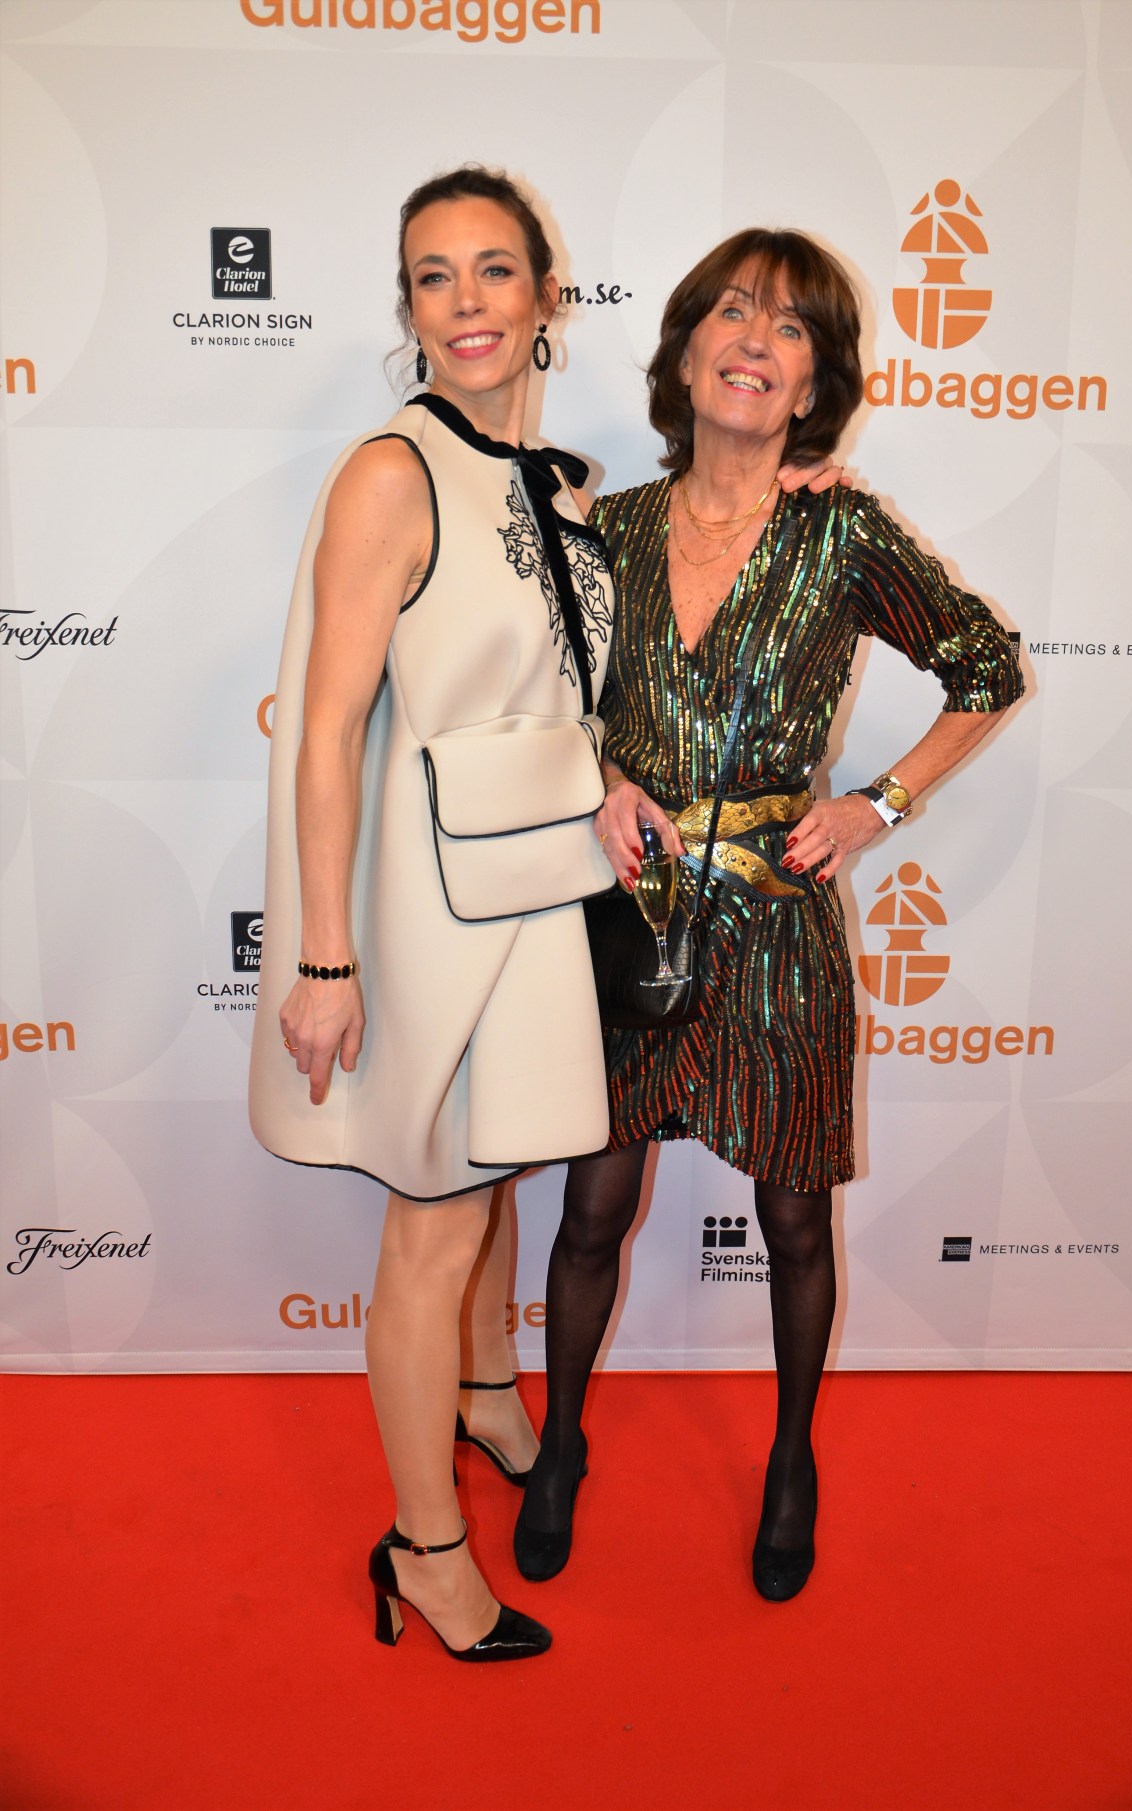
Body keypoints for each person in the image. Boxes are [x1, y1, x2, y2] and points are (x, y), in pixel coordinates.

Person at [514, 227, 1025, 1599]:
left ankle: (791, 1455)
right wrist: (602, 775)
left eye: (790, 327)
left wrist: (881, 806)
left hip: (781, 925)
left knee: (795, 1222)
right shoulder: (606, 531)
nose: (755, 339)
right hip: (631, 914)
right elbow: (534, 698)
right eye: (733, 312)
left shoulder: (839, 530)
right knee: (591, 1210)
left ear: (812, 383)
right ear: (686, 353)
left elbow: (986, 666)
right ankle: (560, 1444)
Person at [249, 166, 622, 1661]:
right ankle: (425, 1550)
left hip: (536, 883)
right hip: (427, 906)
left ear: (546, 293)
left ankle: (486, 1397)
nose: (466, 303)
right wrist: (324, 957)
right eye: (432, 276)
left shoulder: (563, 485)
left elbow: (557, 694)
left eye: (493, 270)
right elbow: (326, 728)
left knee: (500, 1159)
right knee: (438, 1217)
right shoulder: (392, 473)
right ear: (407, 310)